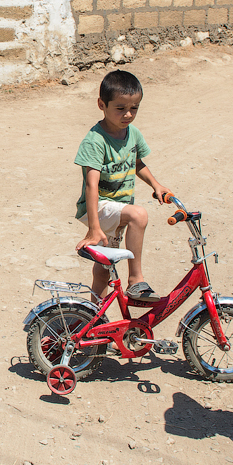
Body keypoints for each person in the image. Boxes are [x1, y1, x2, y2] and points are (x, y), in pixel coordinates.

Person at [73, 70, 171, 301]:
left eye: (134, 108)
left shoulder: (133, 134)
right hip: (98, 208)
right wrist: (94, 228)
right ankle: (136, 280)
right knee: (139, 215)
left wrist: (156, 185)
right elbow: (91, 185)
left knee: (105, 266)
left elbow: (137, 163)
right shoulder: (95, 141)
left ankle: (94, 317)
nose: (128, 114)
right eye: (120, 108)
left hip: (118, 208)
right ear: (101, 105)